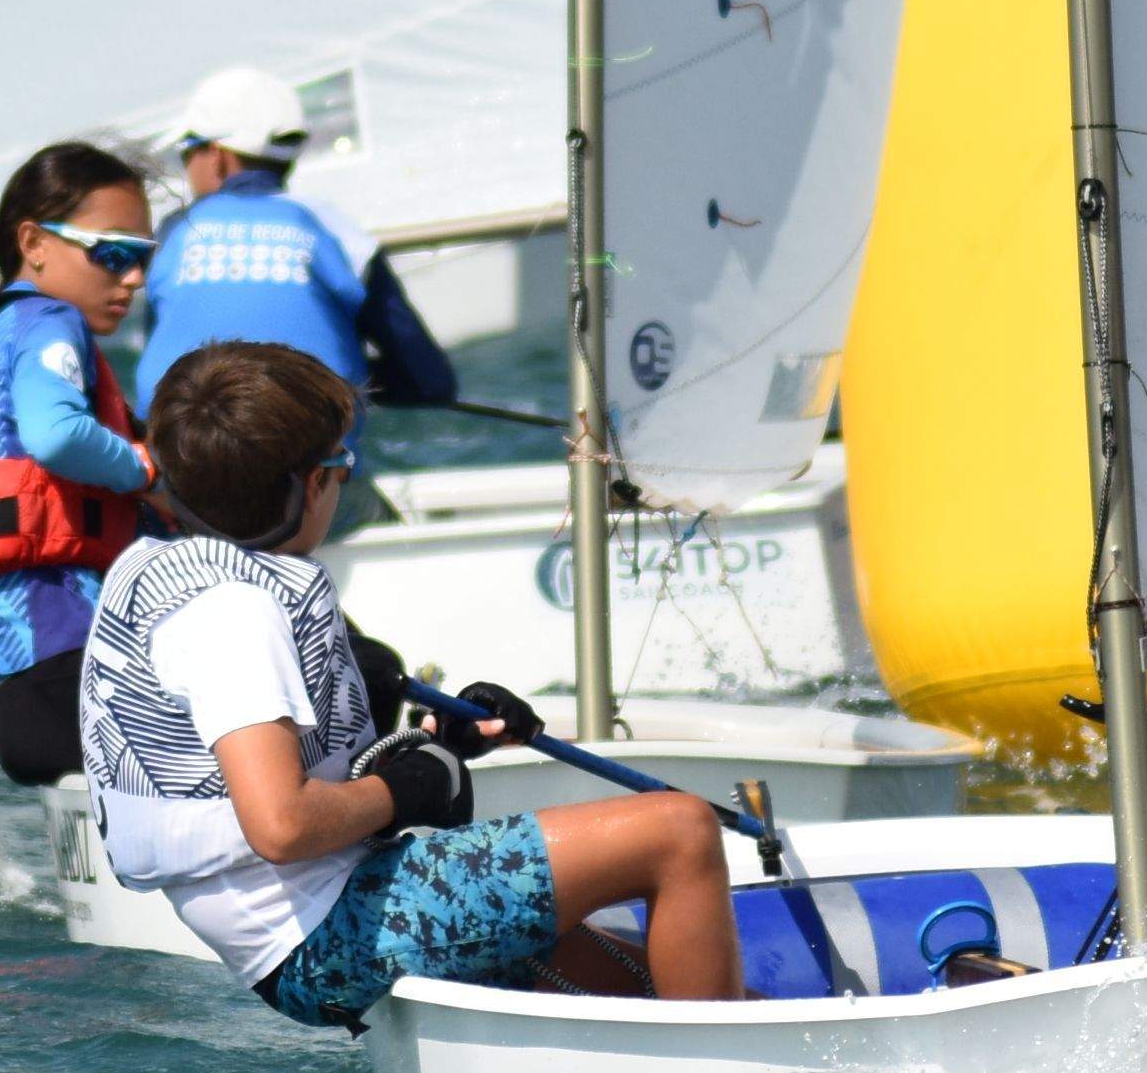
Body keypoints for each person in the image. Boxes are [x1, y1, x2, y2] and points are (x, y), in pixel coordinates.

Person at [78, 338, 737, 1027]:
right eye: (342, 466)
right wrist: (405, 789)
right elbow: (280, 826)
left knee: (650, 981)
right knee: (681, 831)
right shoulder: (230, 613)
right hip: (323, 939)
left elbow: (284, 775)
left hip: (337, 907)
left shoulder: (171, 569)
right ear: (310, 485)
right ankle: (724, 1072)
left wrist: (438, 741)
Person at [0, 142, 160, 785]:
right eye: (112, 253)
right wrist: (144, 467)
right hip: (77, 665)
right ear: (34, 242)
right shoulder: (47, 319)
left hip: (16, 694)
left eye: (143, 258)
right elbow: (55, 435)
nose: (132, 278)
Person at [139, 63, 456, 451]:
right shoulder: (337, 230)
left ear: (217, 157)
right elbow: (429, 379)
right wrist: (335, 379)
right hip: (307, 477)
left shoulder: (173, 232)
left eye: (187, 151)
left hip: (184, 472)